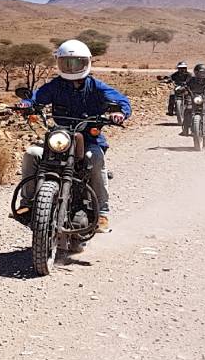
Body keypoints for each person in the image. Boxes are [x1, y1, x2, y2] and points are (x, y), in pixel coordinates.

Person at [13, 40, 130, 233]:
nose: (72, 67)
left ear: (87, 62)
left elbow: (121, 100)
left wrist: (119, 113)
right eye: (67, 63)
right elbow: (37, 97)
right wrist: (27, 104)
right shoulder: (56, 86)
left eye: (77, 62)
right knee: (32, 153)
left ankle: (102, 212)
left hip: (89, 139)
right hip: (60, 137)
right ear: (59, 63)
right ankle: (27, 203)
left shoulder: (96, 87)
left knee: (95, 158)